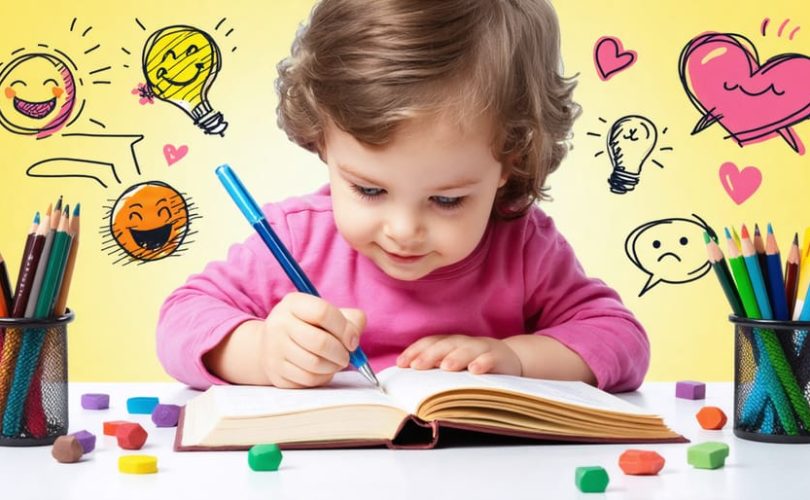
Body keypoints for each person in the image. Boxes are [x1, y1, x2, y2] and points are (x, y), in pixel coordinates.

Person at [156, 0, 649, 393]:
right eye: (369, 190)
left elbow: (621, 341)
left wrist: (519, 359)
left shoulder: (522, 246)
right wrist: (261, 351)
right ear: (322, 140)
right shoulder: (296, 237)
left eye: (448, 200)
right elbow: (180, 321)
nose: (403, 230)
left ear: (510, 161)